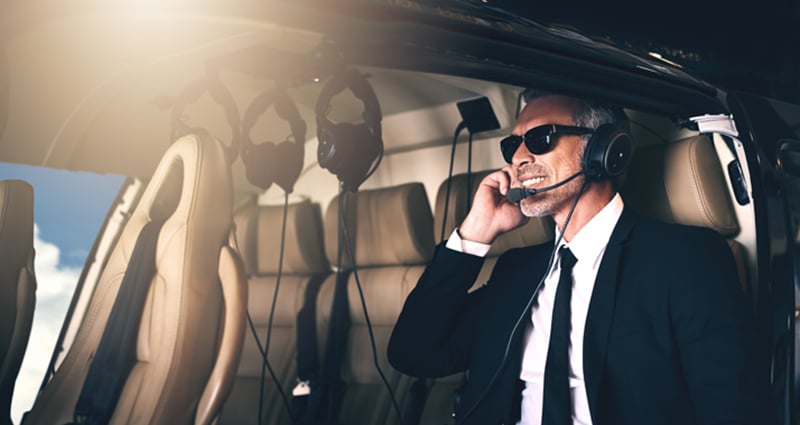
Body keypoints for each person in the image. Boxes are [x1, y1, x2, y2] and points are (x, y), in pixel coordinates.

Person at [387, 92, 768, 425]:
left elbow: (732, 411)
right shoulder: (516, 271)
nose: (518, 158)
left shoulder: (684, 261)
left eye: (540, 138)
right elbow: (414, 354)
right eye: (512, 146)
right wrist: (475, 234)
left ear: (606, 149)